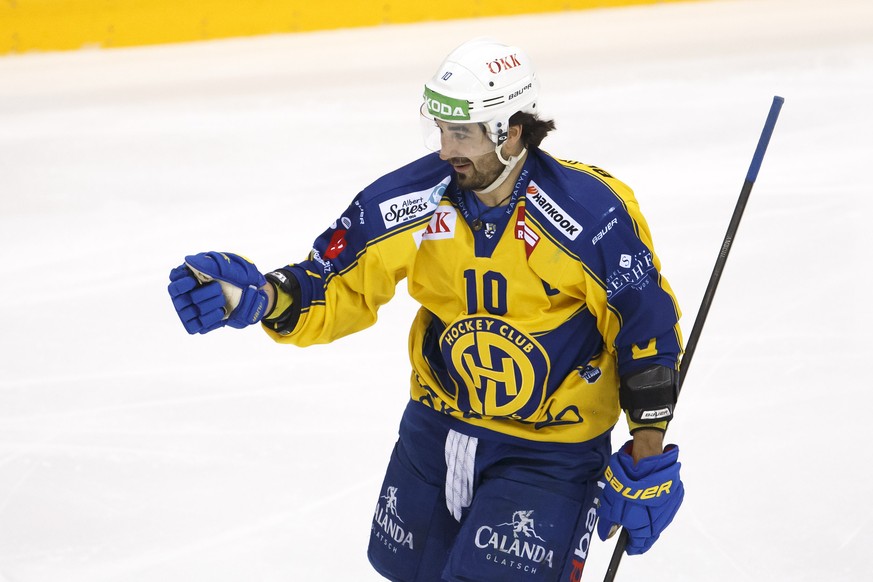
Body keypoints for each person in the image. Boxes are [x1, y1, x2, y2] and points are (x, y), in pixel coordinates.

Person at [168, 38, 685, 582]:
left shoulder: (589, 213)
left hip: (548, 452)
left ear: (511, 132)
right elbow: (333, 283)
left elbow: (642, 325)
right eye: (439, 129)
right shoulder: (410, 198)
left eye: (461, 132)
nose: (444, 149)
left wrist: (647, 447)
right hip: (433, 432)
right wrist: (262, 298)